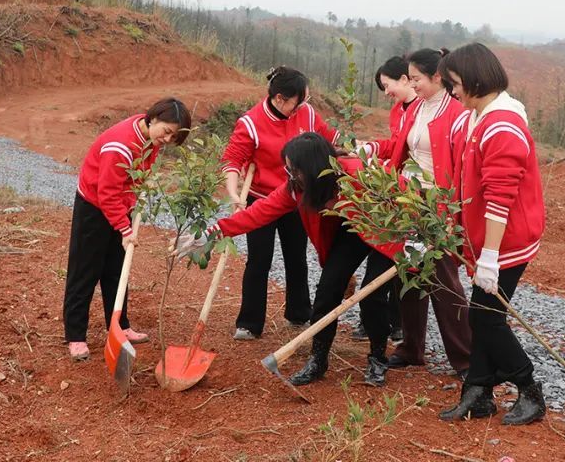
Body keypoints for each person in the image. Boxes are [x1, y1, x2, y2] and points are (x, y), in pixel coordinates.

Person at [178, 132, 403, 386]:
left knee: (372, 297)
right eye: (288, 168)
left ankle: (377, 359)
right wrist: (211, 233)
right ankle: (318, 360)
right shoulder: (296, 188)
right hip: (349, 232)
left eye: (294, 169)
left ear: (313, 167)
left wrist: (418, 235)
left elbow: (400, 191)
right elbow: (257, 214)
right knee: (327, 291)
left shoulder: (356, 175)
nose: (289, 174)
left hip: (385, 231)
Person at [437, 43, 546, 425]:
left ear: (472, 79)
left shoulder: (502, 125)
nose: (451, 92)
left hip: (508, 241)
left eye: (453, 84)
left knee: (486, 319)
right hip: (487, 241)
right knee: (482, 314)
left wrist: (489, 257)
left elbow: (500, 199)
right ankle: (478, 392)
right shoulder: (478, 117)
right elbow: (467, 186)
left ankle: (530, 388)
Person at [362, 48, 472, 378]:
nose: (412, 84)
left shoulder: (456, 113)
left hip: (436, 205)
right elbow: (401, 147)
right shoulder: (416, 109)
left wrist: (450, 214)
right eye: (409, 79)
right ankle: (412, 347)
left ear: (437, 77)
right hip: (407, 199)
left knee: (443, 280)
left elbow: (460, 167)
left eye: (416, 78)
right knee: (408, 274)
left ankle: (466, 357)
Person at [62, 98, 192, 362]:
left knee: (116, 270)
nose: (168, 139)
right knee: (85, 272)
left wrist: (132, 205)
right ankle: (76, 336)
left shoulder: (150, 139)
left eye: (174, 136)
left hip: (120, 203)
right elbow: (106, 193)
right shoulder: (120, 146)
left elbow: (135, 176)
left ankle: (120, 326)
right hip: (94, 206)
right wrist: (124, 228)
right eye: (166, 131)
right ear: (153, 118)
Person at [221, 66, 339, 340]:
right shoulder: (250, 122)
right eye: (299, 101)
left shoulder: (306, 114)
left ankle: (299, 312)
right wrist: (233, 192)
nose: (304, 107)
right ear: (280, 99)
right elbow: (233, 159)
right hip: (263, 199)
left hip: (298, 197)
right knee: (259, 260)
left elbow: (329, 140)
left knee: (296, 256)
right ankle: (249, 323)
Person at [351, 56, 417, 343]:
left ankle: (399, 321)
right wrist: (373, 149)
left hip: (415, 193)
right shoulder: (397, 111)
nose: (386, 92)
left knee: (405, 259)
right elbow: (394, 146)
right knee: (386, 251)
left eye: (387, 85)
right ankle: (376, 318)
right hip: (393, 189)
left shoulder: (423, 110)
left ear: (405, 78)